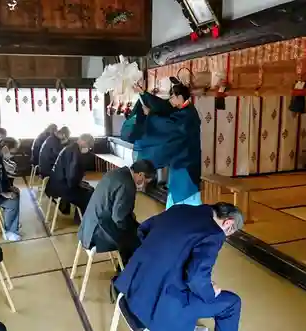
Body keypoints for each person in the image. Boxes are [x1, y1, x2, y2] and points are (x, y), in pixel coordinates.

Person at [114, 203, 244, 331]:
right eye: (228, 233)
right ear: (228, 222)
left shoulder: (180, 208)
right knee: (232, 304)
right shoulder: (214, 233)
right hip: (156, 306)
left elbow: (143, 229)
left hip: (131, 286)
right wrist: (210, 292)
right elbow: (195, 278)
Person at [122, 78, 201, 209]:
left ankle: (189, 220)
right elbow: (162, 107)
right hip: (179, 159)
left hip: (187, 161)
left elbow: (170, 125)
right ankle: (174, 219)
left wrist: (151, 116)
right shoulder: (182, 110)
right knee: (176, 195)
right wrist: (144, 94)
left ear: (180, 97)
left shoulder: (188, 114)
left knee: (187, 196)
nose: (171, 100)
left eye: (172, 97)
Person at [78, 159, 156, 265]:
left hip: (87, 226)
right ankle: (126, 271)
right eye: (146, 182)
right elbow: (119, 219)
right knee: (138, 241)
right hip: (97, 233)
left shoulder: (117, 173)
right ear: (141, 175)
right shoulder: (127, 185)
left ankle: (124, 263)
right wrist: (134, 229)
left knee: (134, 229)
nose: (144, 186)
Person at [46, 133, 94, 222]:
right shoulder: (75, 153)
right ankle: (83, 221)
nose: (88, 149)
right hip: (62, 188)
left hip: (53, 185)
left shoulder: (70, 148)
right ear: (84, 142)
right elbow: (72, 178)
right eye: (89, 146)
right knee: (90, 194)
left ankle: (79, 217)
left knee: (87, 188)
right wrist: (79, 185)